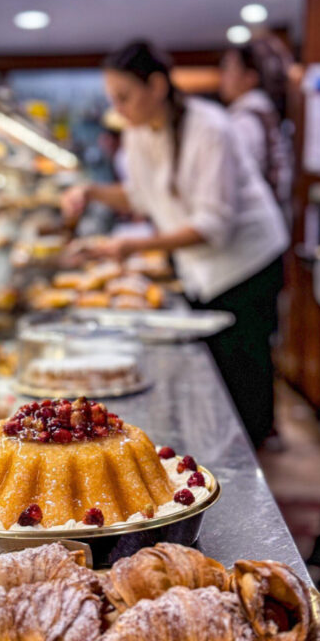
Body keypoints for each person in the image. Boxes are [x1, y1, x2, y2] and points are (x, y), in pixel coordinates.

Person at [61, 40, 289, 449]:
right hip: (203, 267)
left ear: (157, 86)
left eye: (125, 97)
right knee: (219, 369)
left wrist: (130, 249)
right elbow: (141, 196)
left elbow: (212, 224)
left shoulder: (210, 128)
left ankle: (249, 468)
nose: (119, 109)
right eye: (114, 99)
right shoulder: (139, 132)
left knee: (244, 372)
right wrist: (90, 192)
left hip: (248, 262)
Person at [219, 36, 294, 215]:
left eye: (228, 69)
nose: (222, 77)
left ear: (250, 78)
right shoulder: (265, 113)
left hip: (254, 220)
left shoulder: (244, 121)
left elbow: (229, 179)